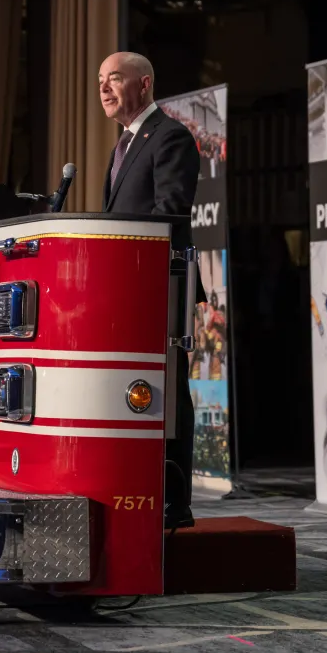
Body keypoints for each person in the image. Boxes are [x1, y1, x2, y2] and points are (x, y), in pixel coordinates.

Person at [99, 51, 202, 529]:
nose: (104, 88)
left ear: (143, 84)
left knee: (168, 392)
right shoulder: (123, 144)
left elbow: (171, 212)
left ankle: (175, 503)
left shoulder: (170, 135)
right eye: (101, 80)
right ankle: (138, 491)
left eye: (114, 78)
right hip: (128, 285)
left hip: (161, 282)